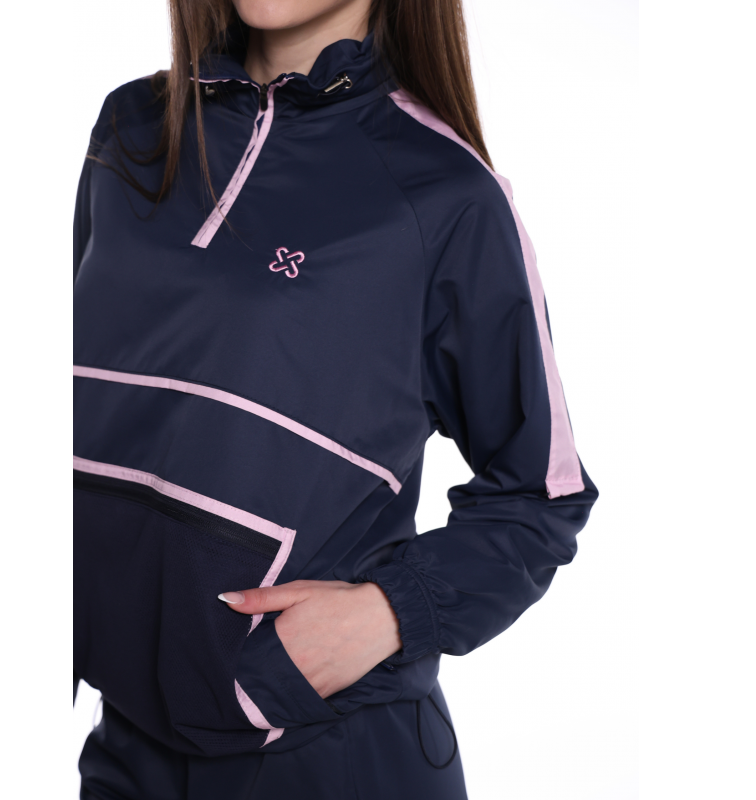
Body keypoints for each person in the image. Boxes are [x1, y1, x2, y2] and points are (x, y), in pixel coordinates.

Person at [73, 0, 598, 797]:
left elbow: (543, 494)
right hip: (127, 746)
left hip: (326, 754)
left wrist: (389, 611)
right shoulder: (134, 128)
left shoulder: (444, 194)